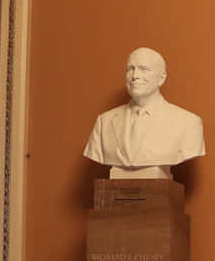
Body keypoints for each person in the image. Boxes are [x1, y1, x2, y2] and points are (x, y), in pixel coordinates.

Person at [84, 47, 205, 178]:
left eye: (144, 69)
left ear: (161, 78)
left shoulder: (188, 122)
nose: (135, 76)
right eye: (130, 68)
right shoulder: (104, 122)